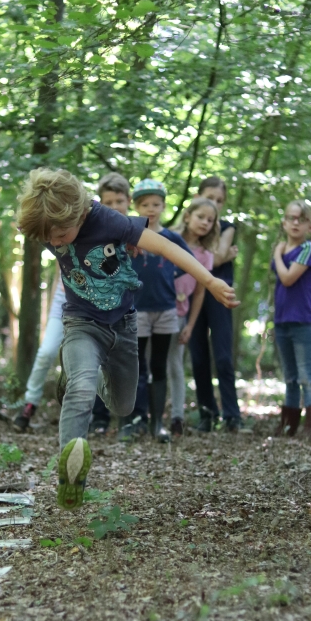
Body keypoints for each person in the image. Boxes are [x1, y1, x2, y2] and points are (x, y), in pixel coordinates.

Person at [15, 167, 238, 508]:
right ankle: (70, 479)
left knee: (124, 405)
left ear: (78, 214)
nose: (55, 243)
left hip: (123, 326)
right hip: (81, 322)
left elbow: (164, 246)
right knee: (82, 388)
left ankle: (81, 375)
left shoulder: (107, 220)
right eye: (50, 238)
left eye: (60, 235)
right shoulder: (48, 224)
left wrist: (209, 281)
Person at [14, 172, 132, 432]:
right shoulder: (69, 222)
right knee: (46, 352)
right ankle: (30, 403)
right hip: (66, 301)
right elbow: (32, 224)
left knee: (98, 364)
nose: (113, 207)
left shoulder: (118, 231)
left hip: (102, 308)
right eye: (108, 201)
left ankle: (86, 401)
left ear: (128, 202)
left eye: (119, 202)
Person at [119, 179, 196, 443]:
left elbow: (189, 262)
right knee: (137, 366)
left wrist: (170, 274)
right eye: (144, 205)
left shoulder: (171, 238)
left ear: (163, 206)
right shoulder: (130, 235)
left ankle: (157, 424)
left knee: (159, 366)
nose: (150, 209)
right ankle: (130, 422)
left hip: (166, 309)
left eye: (155, 204)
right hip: (137, 309)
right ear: (136, 206)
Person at [188, 176, 242, 432]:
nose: (215, 204)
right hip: (194, 294)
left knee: (222, 356)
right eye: (210, 198)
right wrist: (220, 256)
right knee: (198, 357)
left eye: (219, 200)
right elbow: (215, 256)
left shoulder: (228, 227)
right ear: (198, 196)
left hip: (221, 295)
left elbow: (216, 256)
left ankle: (232, 415)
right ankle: (207, 413)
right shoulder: (190, 228)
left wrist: (221, 256)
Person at [166, 197, 219, 434]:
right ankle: (144, 414)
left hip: (180, 315)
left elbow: (199, 293)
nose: (205, 223)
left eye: (210, 220)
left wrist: (190, 324)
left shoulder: (205, 256)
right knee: (147, 364)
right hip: (154, 311)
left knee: (175, 364)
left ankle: (177, 417)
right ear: (187, 216)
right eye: (200, 217)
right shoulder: (166, 239)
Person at [271, 200, 311, 440]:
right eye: (291, 218)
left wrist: (277, 254)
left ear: (309, 226)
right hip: (282, 320)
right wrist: (279, 252)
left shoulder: (308, 249)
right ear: (284, 222)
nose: (295, 223)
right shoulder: (283, 248)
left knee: (306, 376)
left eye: (301, 219)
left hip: (303, 320)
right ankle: (289, 427)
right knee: (290, 377)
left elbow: (288, 278)